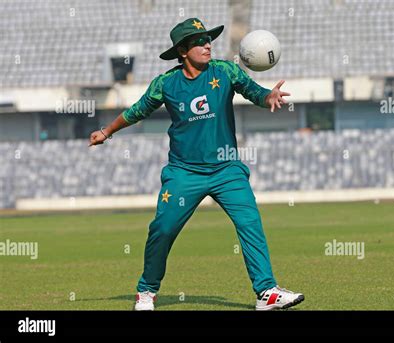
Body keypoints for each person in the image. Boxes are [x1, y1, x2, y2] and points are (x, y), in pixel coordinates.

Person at [89, 18, 304, 311]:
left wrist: (269, 97)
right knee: (162, 229)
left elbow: (254, 91)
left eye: (208, 39)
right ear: (182, 50)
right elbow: (137, 111)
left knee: (250, 223)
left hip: (227, 170)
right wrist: (106, 131)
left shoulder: (226, 71)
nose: (207, 45)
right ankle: (147, 291)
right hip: (183, 173)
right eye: (199, 41)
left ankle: (266, 292)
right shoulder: (166, 83)